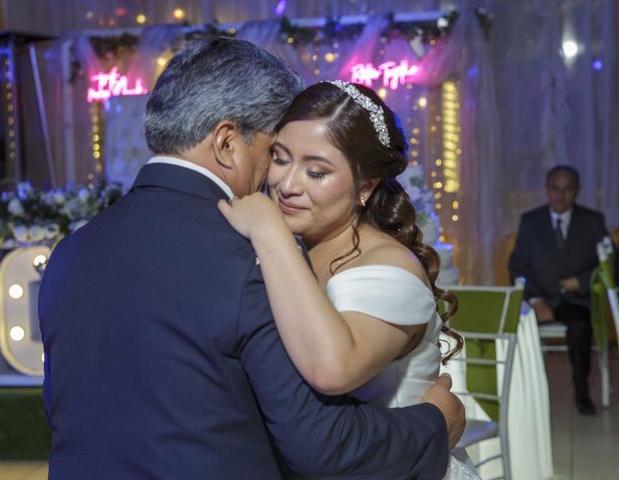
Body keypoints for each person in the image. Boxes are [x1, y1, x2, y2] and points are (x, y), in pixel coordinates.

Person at [39, 38, 464, 479]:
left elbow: (64, 404)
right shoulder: (252, 254)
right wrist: (433, 424)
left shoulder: (71, 251)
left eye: (313, 169)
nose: (278, 182)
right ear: (227, 143)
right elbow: (317, 442)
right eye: (273, 154)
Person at [218, 80, 478, 479]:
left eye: (317, 172)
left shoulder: (389, 268)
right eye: (281, 159)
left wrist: (269, 233)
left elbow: (333, 369)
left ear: (367, 185)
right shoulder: (294, 249)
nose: (288, 185)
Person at [509, 165, 609, 415]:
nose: (560, 195)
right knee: (515, 324)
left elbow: (610, 263)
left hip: (577, 301)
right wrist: (535, 298)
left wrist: (582, 281)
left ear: (577, 191)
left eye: (567, 189)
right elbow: (517, 266)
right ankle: (523, 398)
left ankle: (582, 395)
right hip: (540, 298)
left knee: (579, 328)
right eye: (555, 189)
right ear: (547, 189)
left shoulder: (592, 221)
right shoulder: (531, 221)